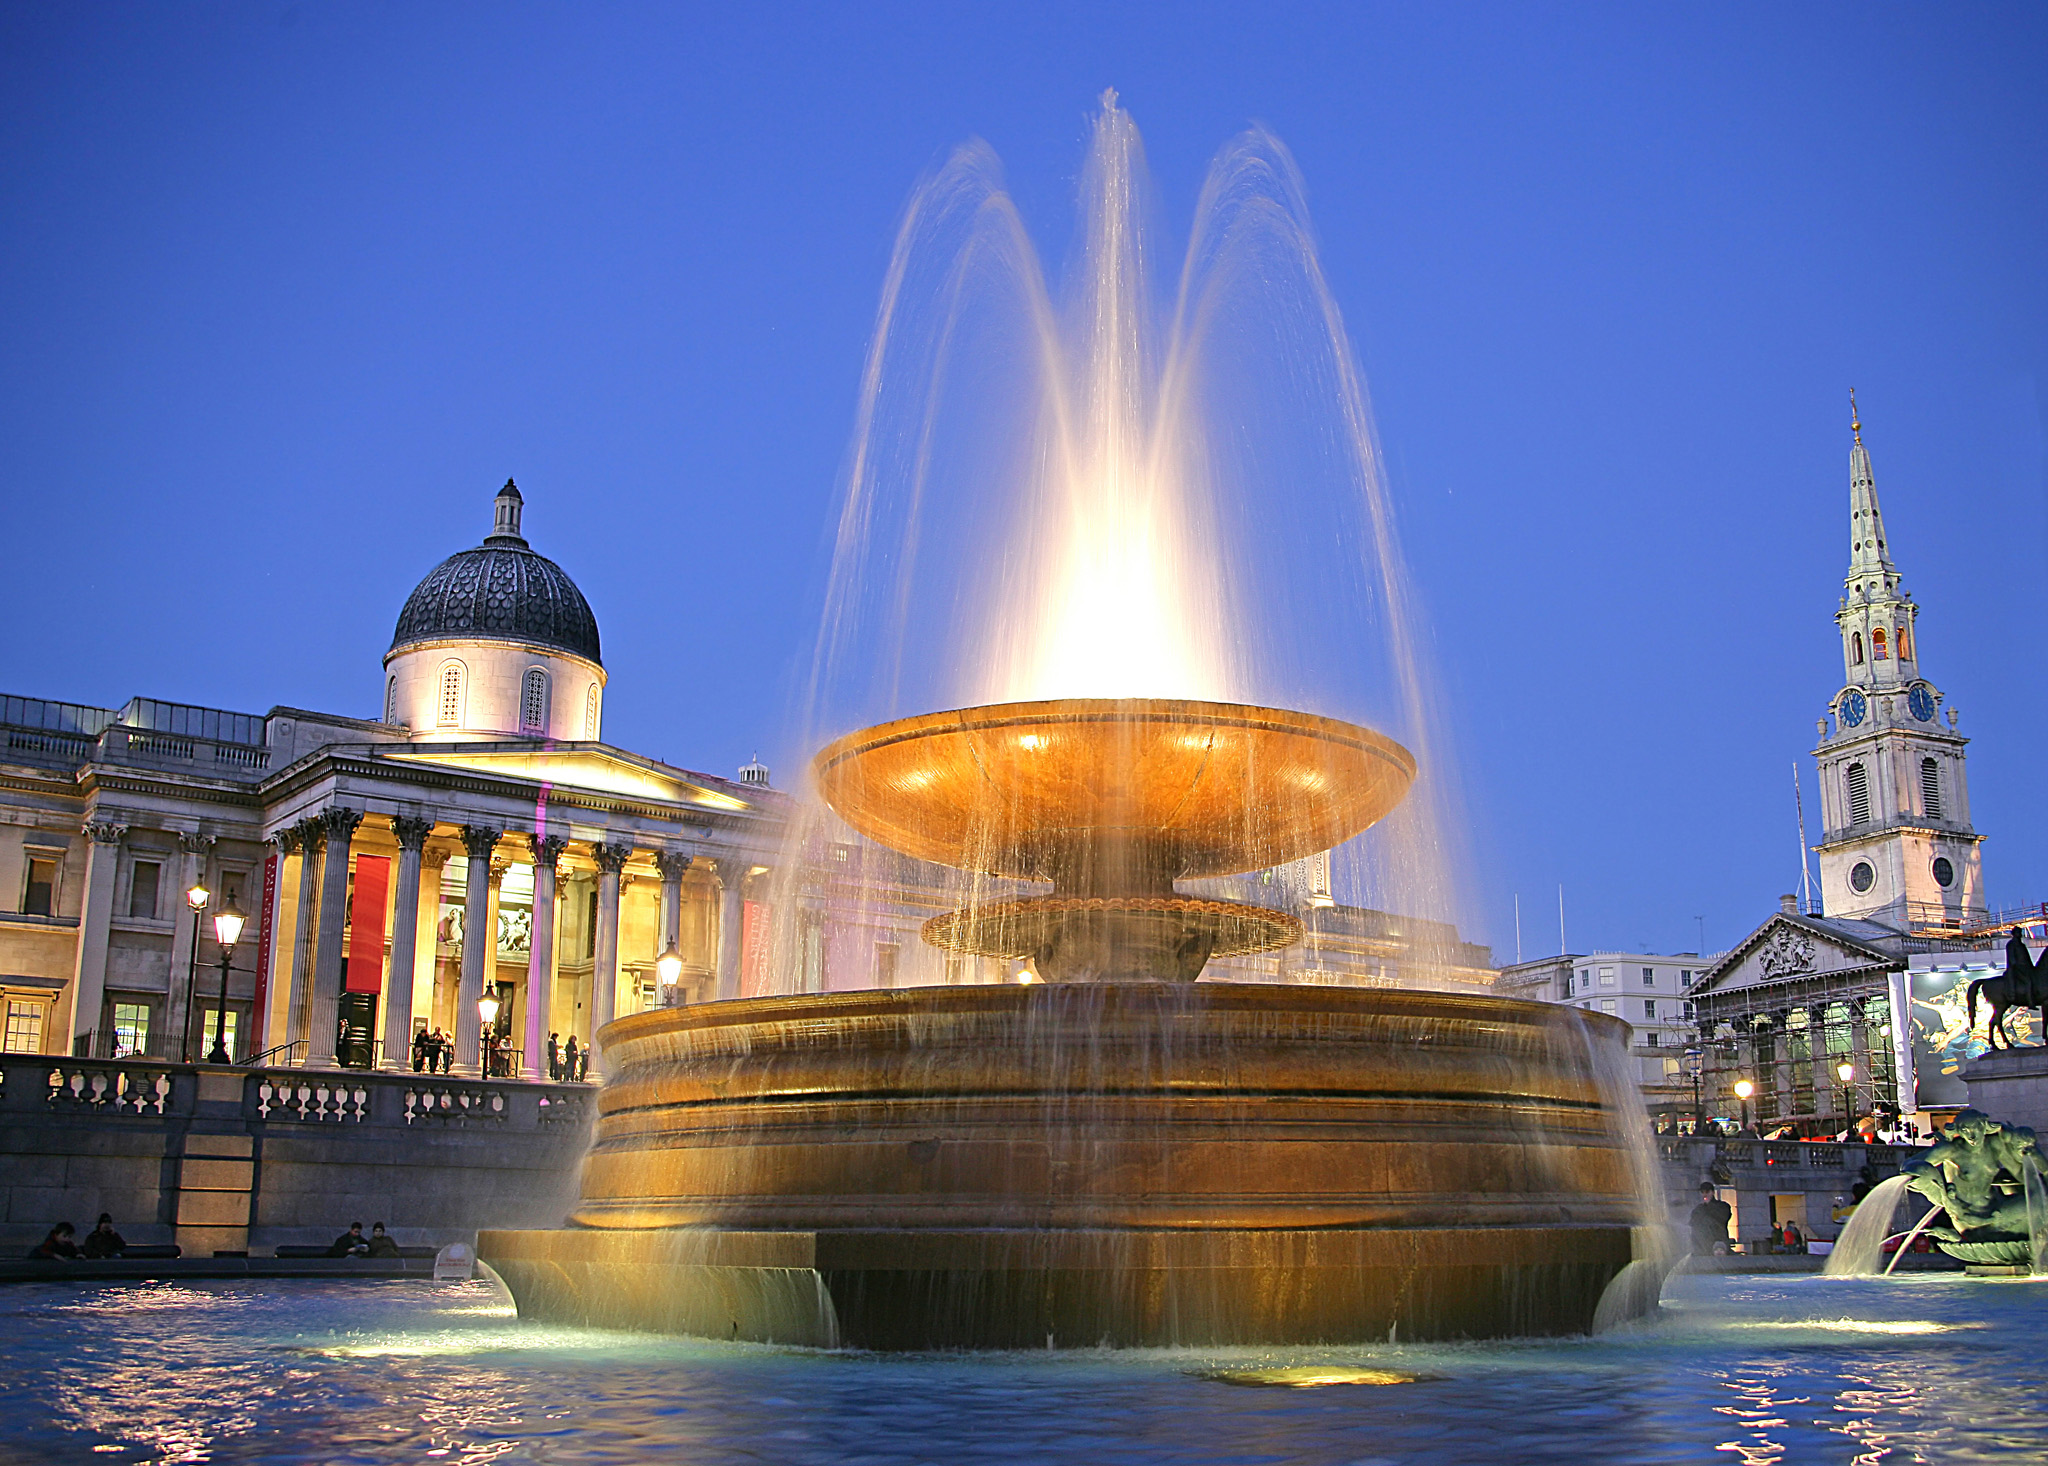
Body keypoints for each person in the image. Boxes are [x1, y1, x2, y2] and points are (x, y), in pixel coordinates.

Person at [1689, 1183, 1733, 1257]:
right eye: (1703, 1192)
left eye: (1707, 1192)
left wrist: (1710, 1205)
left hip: (1718, 1242)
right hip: (1703, 1244)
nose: (1705, 1195)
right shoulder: (1699, 1209)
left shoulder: (1722, 1206)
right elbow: (1693, 1224)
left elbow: (1723, 1217)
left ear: (1712, 1192)